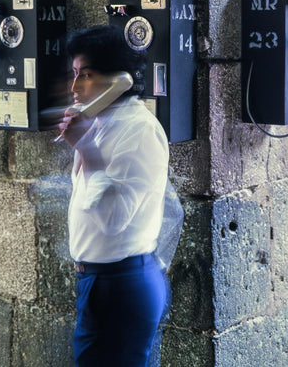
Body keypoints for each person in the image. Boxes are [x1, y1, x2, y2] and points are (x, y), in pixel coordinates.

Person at [57, 24, 171, 367]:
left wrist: (87, 150)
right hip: (98, 282)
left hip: (122, 285)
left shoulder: (139, 131)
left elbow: (113, 219)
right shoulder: (101, 122)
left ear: (117, 80)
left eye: (86, 75)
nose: (74, 87)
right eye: (74, 74)